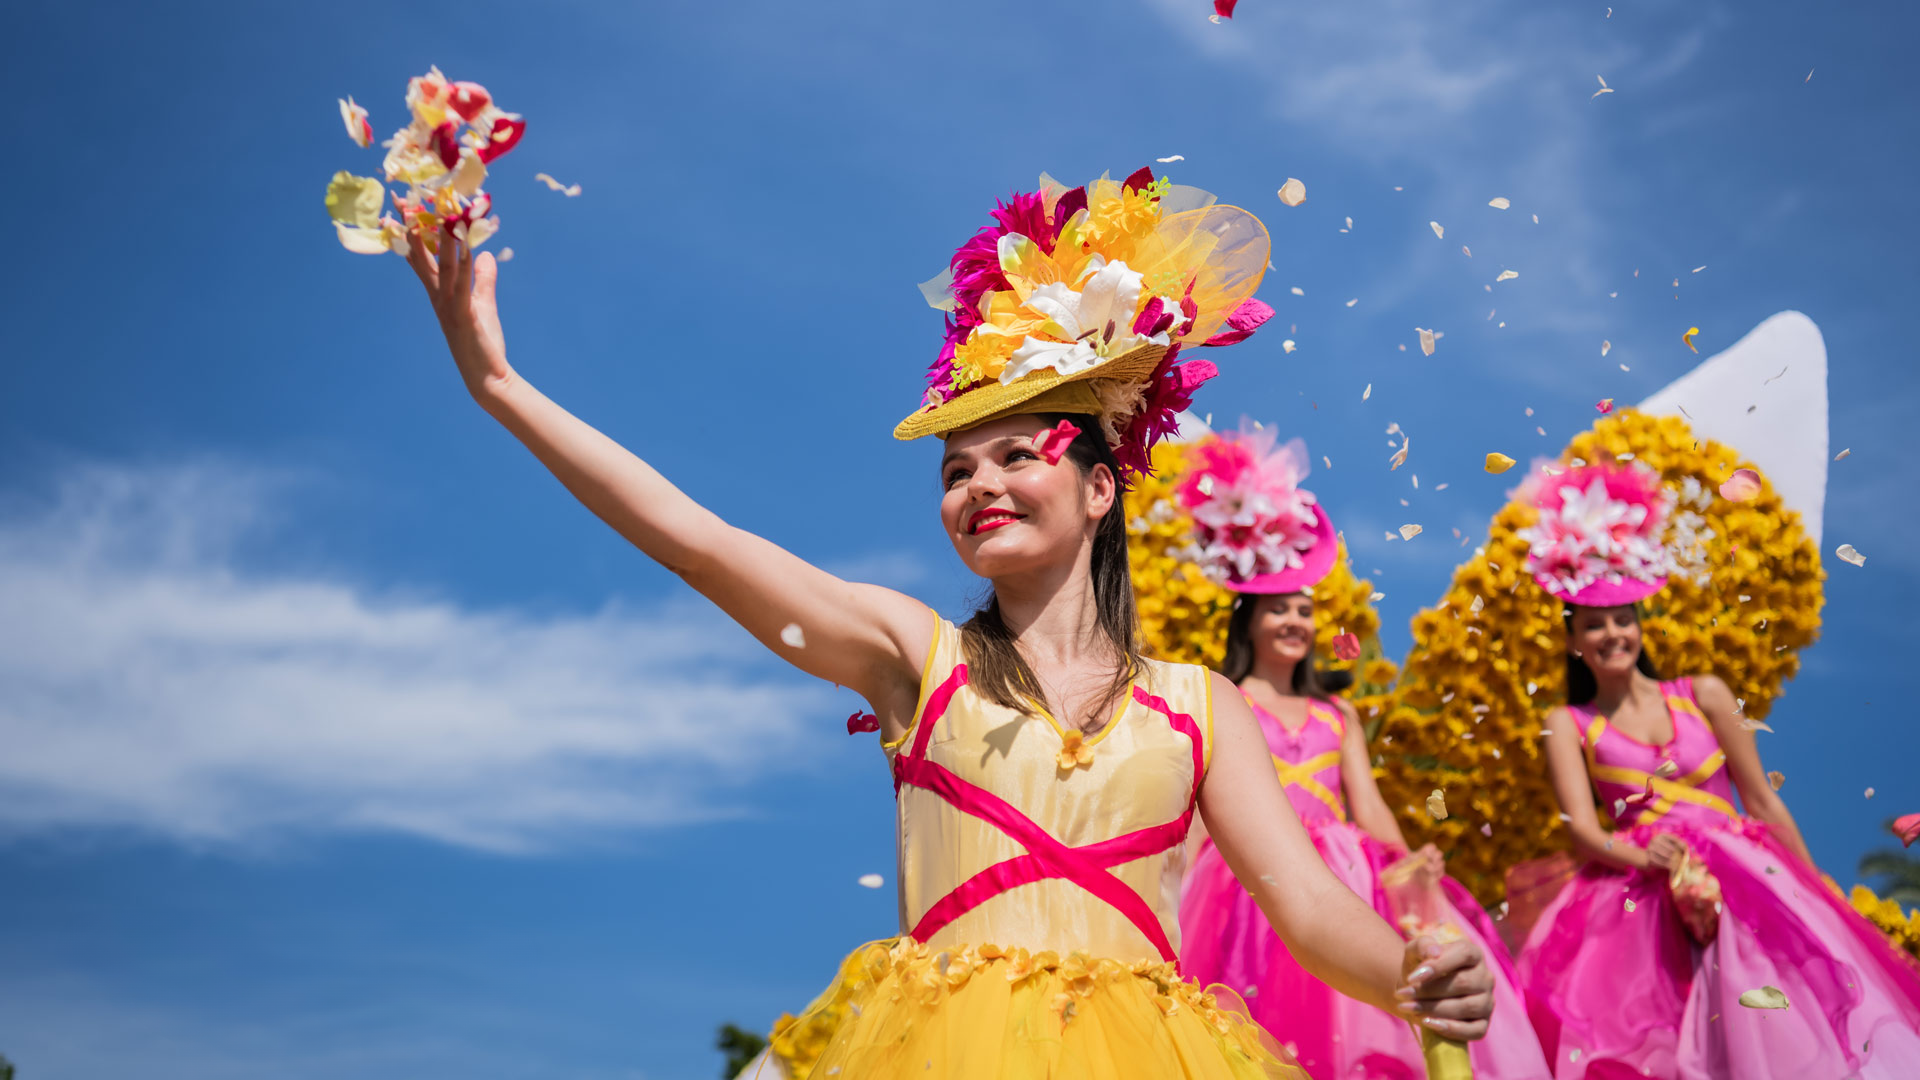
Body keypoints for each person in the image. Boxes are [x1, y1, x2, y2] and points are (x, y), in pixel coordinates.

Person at [402, 166, 1495, 1078]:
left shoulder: (1201, 709)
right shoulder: (915, 658)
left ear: (1103, 489)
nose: (980, 484)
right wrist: (500, 385)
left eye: (1021, 453)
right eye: (956, 468)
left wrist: (1411, 972)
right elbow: (698, 539)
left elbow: (1305, 905)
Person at [1510, 460, 1920, 1078]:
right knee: (1665, 1035)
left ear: (1641, 626)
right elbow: (1584, 833)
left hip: (1746, 872)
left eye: (1623, 620)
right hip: (1640, 894)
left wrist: (1817, 892)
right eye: (1595, 627)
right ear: (1575, 642)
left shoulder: (1704, 692)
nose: (1613, 634)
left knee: (1772, 1014)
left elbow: (1761, 800)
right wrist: (1647, 859)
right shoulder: (1569, 724)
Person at [1172, 426, 1552, 1079]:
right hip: (1244, 880)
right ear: (1249, 621)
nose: (1294, 621)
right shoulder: (1222, 699)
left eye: (1304, 610)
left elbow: (1368, 806)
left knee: (1355, 1029)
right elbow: (1209, 808)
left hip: (1345, 875)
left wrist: (1411, 863)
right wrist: (1180, 884)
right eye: (1277, 609)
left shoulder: (1336, 713)